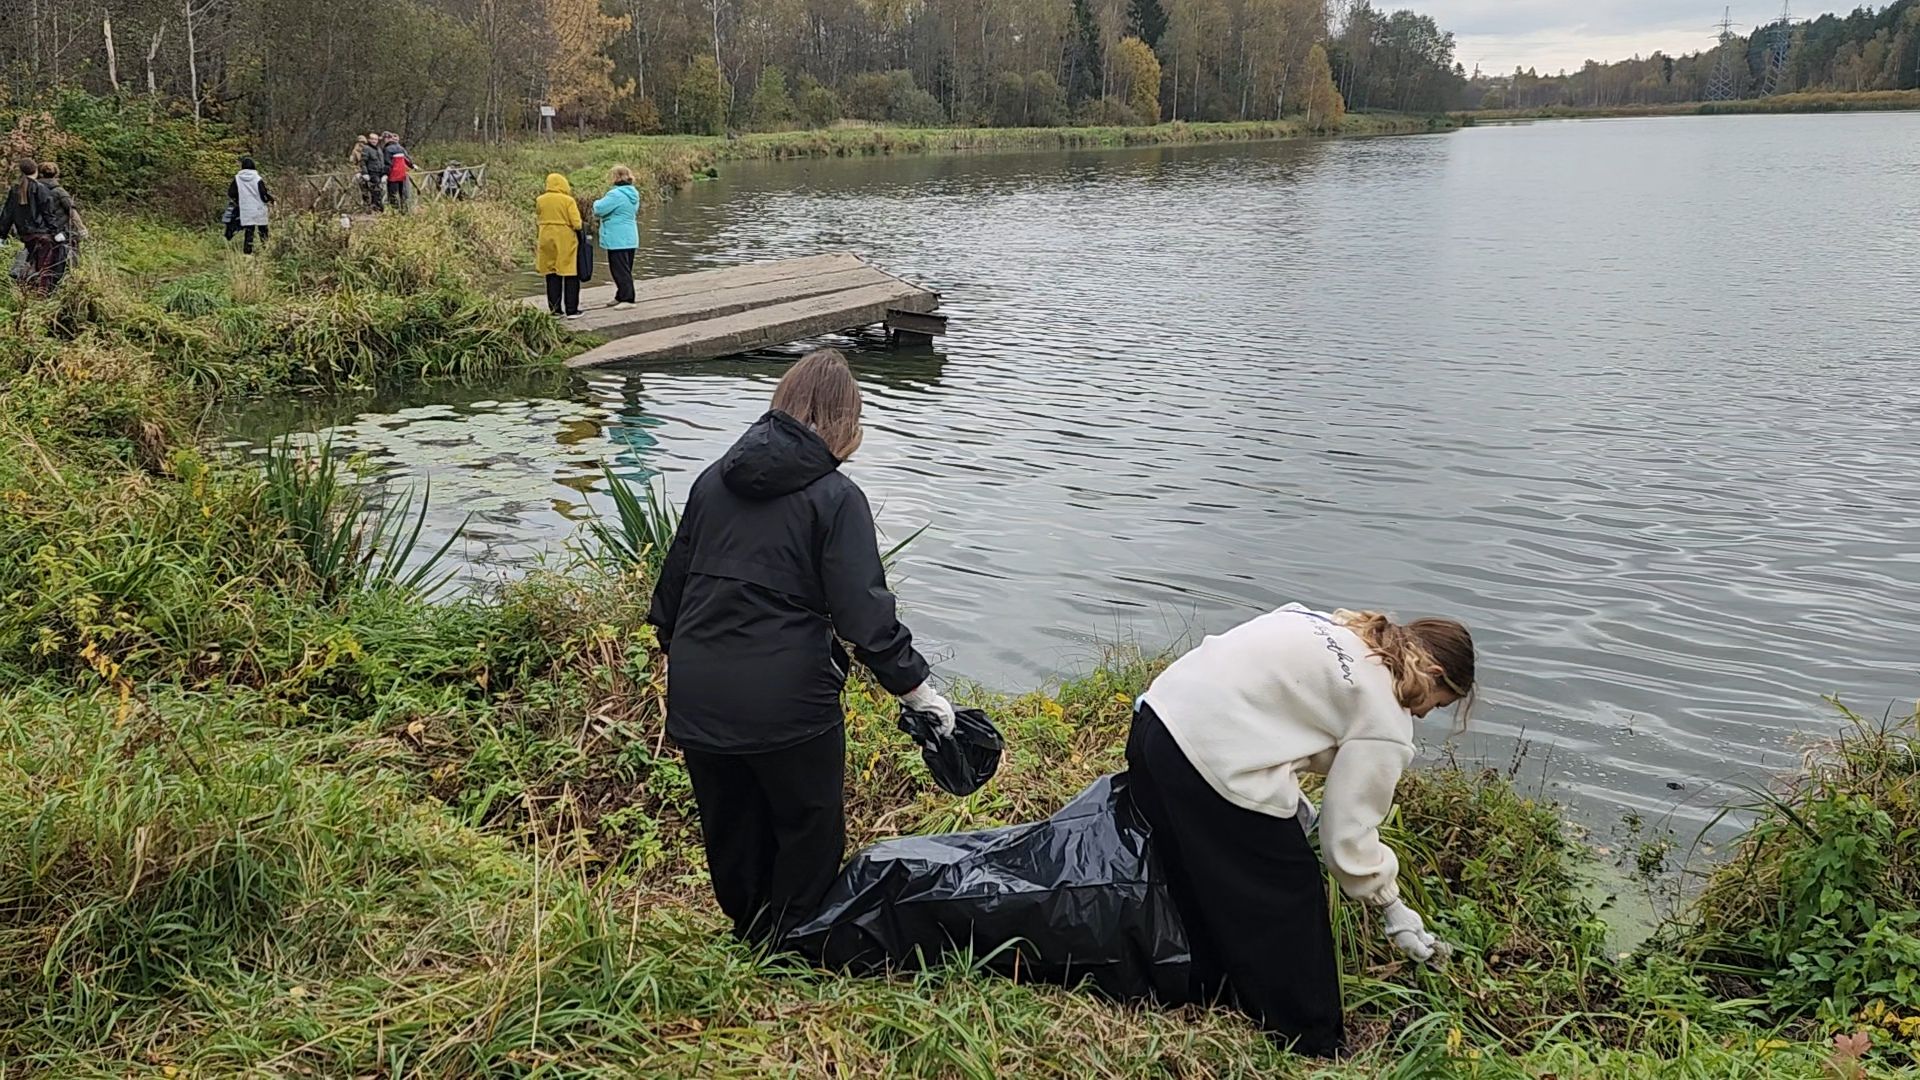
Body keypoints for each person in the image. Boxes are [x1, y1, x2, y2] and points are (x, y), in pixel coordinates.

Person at [648, 349, 955, 946]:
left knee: (730, 825)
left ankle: (748, 933)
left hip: (698, 692)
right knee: (807, 824)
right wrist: (918, 691)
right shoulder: (835, 499)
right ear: (846, 421)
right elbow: (866, 619)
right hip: (789, 704)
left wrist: (696, 661)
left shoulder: (713, 480)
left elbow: (669, 604)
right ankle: (792, 947)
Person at [1126, 604, 1476, 1057]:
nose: (1427, 714)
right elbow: (1347, 839)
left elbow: (1265, 708)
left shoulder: (1329, 624)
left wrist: (1292, 804)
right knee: (1291, 895)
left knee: (1195, 874)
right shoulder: (1386, 716)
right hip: (1205, 760)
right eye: (1440, 702)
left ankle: (1196, 983)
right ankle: (1311, 1041)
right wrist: (1392, 909)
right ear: (1433, 671)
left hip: (1155, 721)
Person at [0, 159, 58, 293]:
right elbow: (47, 212)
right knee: (45, 266)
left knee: (30, 260)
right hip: (42, 233)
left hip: (25, 234)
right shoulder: (40, 188)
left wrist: (2, 235)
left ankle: (23, 290)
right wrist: (55, 231)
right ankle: (42, 294)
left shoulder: (15, 189)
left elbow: (7, 214)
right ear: (36, 171)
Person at [535, 172, 584, 318]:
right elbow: (576, 223)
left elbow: (538, 214)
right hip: (564, 237)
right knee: (570, 272)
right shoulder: (568, 200)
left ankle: (555, 310)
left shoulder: (540, 200)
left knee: (551, 273)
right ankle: (572, 310)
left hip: (545, 237)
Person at [592, 165, 641, 308]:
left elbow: (598, 209)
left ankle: (628, 299)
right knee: (626, 268)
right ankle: (620, 295)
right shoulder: (633, 193)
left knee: (619, 269)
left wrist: (596, 202)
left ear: (615, 177)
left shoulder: (615, 195)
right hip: (630, 236)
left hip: (617, 237)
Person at [36, 161, 82, 285]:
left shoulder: (33, 190)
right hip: (60, 233)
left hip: (37, 232)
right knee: (63, 259)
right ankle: (66, 281)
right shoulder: (60, 192)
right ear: (56, 174)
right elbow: (72, 212)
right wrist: (82, 229)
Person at [227, 156, 274, 254]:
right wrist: (269, 200)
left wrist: (239, 199)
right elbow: (263, 193)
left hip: (246, 208)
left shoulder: (237, 179)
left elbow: (231, 193)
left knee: (249, 231)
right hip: (259, 207)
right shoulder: (257, 178)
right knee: (263, 229)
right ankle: (266, 249)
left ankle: (247, 252)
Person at [356, 135, 386, 211]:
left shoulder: (379, 149)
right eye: (372, 139)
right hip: (372, 172)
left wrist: (384, 173)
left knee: (380, 191)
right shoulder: (366, 148)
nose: (374, 141)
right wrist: (365, 173)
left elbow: (382, 162)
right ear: (369, 140)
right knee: (375, 190)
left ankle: (376, 207)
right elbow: (363, 161)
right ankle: (375, 208)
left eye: (375, 139)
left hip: (380, 173)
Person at [382, 133, 411, 212]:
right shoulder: (401, 148)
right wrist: (412, 165)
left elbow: (388, 163)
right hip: (402, 174)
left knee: (393, 194)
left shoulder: (387, 149)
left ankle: (395, 211)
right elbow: (407, 159)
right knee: (403, 194)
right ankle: (405, 210)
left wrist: (385, 174)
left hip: (393, 175)